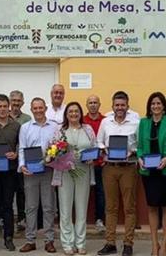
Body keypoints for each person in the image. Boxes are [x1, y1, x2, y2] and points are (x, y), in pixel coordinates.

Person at [96, 91, 140, 256]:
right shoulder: (105, 122)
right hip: (110, 167)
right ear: (112, 106)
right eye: (117, 105)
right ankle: (110, 242)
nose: (119, 108)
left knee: (129, 207)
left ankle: (128, 244)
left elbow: (140, 144)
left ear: (127, 106)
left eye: (122, 105)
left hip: (128, 167)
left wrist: (132, 151)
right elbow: (98, 141)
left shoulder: (136, 122)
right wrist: (104, 149)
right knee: (111, 207)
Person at [135, 92, 166, 256]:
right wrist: (139, 158)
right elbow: (139, 146)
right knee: (152, 207)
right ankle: (154, 244)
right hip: (148, 170)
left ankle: (165, 244)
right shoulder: (143, 122)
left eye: (159, 103)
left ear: (163, 106)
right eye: (153, 103)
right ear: (149, 106)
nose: (156, 106)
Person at [54, 101, 96, 255]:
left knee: (81, 208)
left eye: (76, 111)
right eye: (70, 111)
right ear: (66, 114)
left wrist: (92, 157)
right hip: (65, 172)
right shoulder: (60, 130)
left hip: (83, 171)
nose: (73, 114)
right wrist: (61, 158)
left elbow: (94, 147)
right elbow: (53, 152)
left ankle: (80, 243)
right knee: (65, 209)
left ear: (80, 113)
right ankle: (67, 243)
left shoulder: (88, 129)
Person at [18, 97, 60, 253]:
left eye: (40, 108)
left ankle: (49, 240)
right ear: (31, 110)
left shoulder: (54, 127)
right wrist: (22, 165)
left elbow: (59, 147)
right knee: (31, 207)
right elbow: (22, 148)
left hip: (48, 171)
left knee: (49, 206)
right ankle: (30, 240)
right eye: (35, 108)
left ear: (45, 108)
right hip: (30, 172)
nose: (38, 111)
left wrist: (55, 159)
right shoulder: (25, 127)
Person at [0, 94, 21, 253]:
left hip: (10, 171)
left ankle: (9, 238)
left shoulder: (17, 126)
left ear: (9, 107)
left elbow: (21, 145)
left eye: (4, 106)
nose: (2, 109)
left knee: (8, 206)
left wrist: (16, 154)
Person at [83, 94, 106, 233]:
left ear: (99, 104)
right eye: (90, 102)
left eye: (95, 102)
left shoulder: (105, 121)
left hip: (100, 163)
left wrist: (103, 158)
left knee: (100, 192)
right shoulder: (82, 121)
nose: (93, 105)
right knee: (83, 193)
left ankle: (99, 220)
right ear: (87, 105)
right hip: (84, 164)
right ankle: (82, 220)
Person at [9, 90, 31, 231]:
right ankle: (6, 218)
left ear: (22, 103)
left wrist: (18, 154)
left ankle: (22, 219)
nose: (16, 103)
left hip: (23, 161)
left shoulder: (28, 119)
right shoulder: (3, 116)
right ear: (10, 102)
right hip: (7, 161)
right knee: (8, 192)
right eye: (14, 101)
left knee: (22, 191)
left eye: (19, 101)